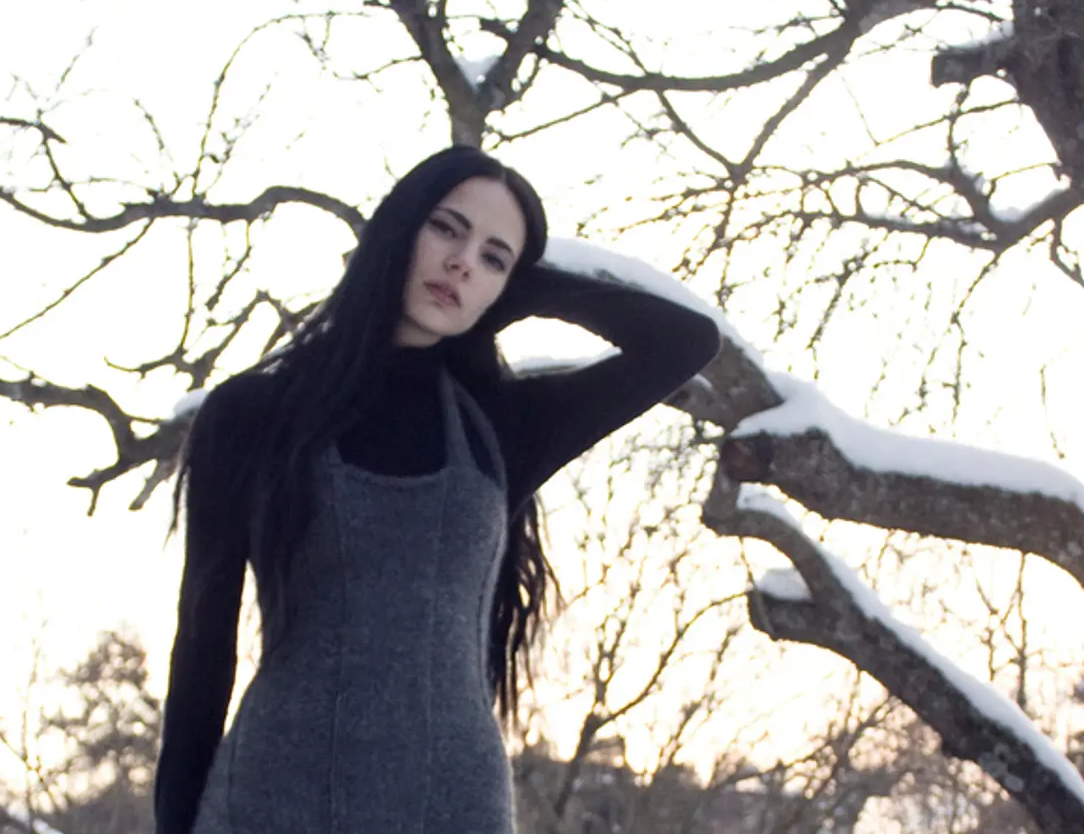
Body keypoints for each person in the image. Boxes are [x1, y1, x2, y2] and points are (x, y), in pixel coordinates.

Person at [154, 146, 721, 834]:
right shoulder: (251, 415)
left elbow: (685, 341)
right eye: (447, 230)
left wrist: (526, 287)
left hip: (453, 809)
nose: (462, 263)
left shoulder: (507, 427)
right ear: (400, 228)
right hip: (271, 800)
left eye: (493, 256)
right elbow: (203, 654)